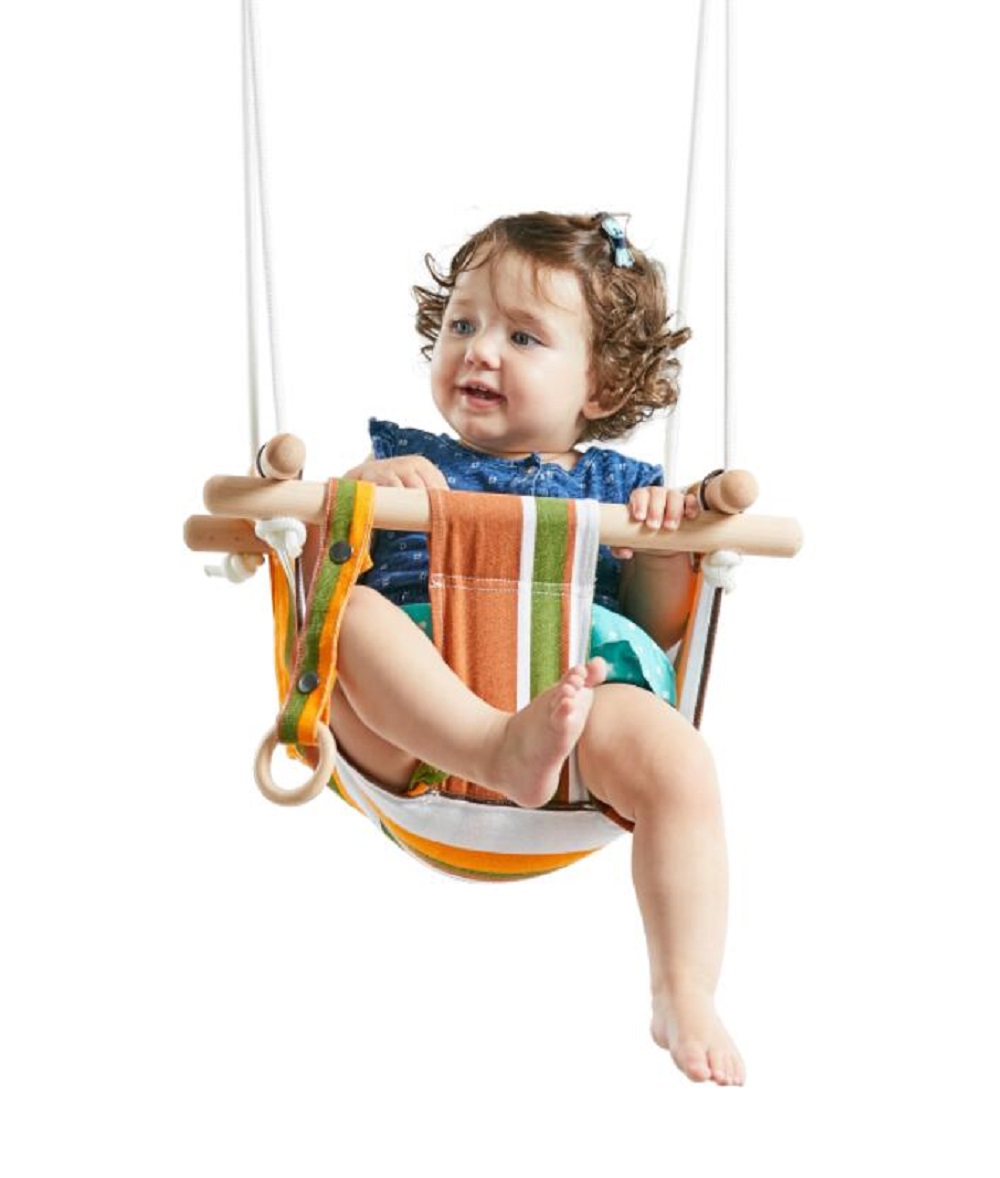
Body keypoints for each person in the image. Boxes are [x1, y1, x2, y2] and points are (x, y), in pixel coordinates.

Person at [322, 212, 745, 1087]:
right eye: (462, 323)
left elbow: (659, 624)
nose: (479, 350)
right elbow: (326, 553)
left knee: (678, 759)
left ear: (602, 384)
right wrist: (356, 492)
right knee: (350, 618)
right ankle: (493, 746)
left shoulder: (623, 492)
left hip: (574, 707)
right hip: (415, 725)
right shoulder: (402, 463)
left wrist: (665, 547)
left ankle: (684, 987)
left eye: (522, 336)